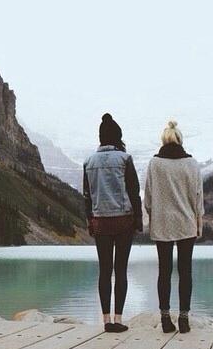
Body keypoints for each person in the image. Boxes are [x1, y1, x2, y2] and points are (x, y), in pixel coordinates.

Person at [83, 113, 143, 333]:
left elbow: (87, 196)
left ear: (100, 137)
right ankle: (118, 319)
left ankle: (106, 320)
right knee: (121, 270)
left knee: (104, 270)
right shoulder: (125, 159)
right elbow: (134, 192)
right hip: (123, 220)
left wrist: (90, 220)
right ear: (118, 136)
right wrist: (138, 220)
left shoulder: (89, 162)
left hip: (100, 222)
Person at [144, 120, 204, 333]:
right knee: (185, 271)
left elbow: (148, 198)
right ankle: (184, 319)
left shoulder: (154, 164)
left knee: (164, 271)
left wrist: (153, 216)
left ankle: (165, 319)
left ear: (163, 141)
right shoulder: (192, 164)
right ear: (180, 140)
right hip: (186, 223)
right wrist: (199, 223)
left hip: (162, 224)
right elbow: (198, 197)